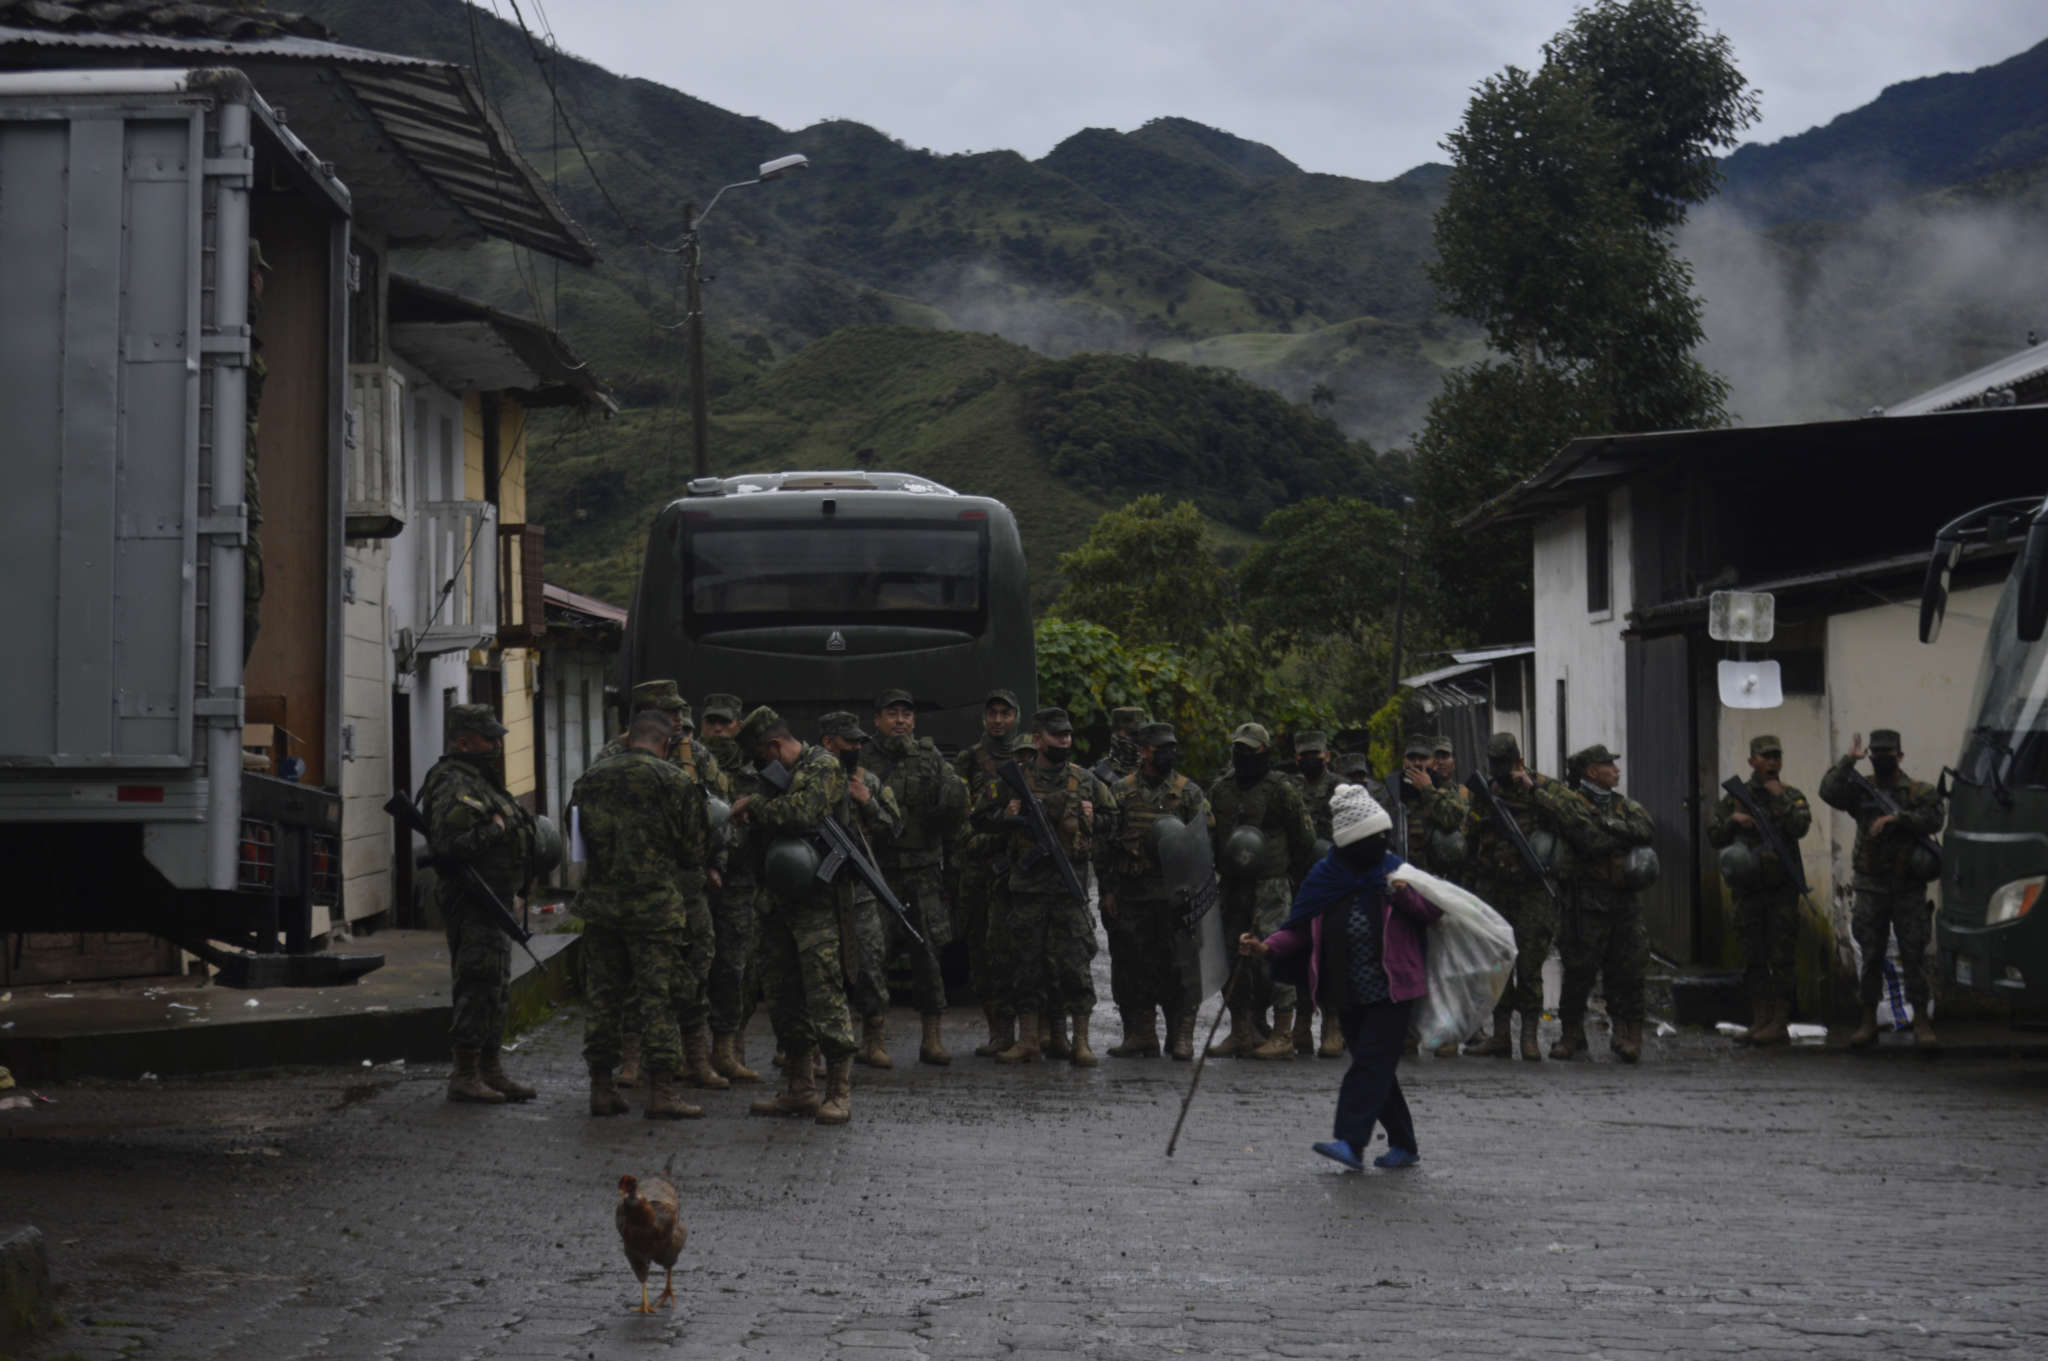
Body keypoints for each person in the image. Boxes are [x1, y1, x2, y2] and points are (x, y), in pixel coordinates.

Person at [1242, 785, 1442, 1171]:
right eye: (1374, 838)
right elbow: (1300, 929)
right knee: (1376, 1067)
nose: (1381, 843)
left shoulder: (1395, 873)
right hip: (1347, 990)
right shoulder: (1325, 879)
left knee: (1369, 1063)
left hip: (1393, 990)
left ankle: (1350, 1141)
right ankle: (1404, 1144)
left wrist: (1404, 895)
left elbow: (1433, 910)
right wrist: (1266, 948)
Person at [572, 709, 713, 1118]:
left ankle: (601, 1088)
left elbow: (576, 843)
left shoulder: (589, 780)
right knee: (658, 997)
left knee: (602, 997)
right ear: (666, 744)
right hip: (654, 910)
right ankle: (662, 1092)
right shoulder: (675, 782)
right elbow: (694, 851)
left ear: (629, 738)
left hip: (601, 907)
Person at [732, 706, 859, 1124]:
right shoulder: (775, 778)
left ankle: (838, 1091)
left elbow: (803, 812)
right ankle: (800, 1088)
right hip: (776, 904)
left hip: (817, 907)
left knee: (824, 996)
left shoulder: (824, 766)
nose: (758, 767)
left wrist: (756, 806)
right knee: (783, 997)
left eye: (760, 757)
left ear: (773, 745)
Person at [973, 707, 1116, 1065]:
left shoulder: (1085, 781)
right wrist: (1009, 817)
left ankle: (1080, 1041)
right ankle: (1028, 1040)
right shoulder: (1013, 779)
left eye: (1067, 735)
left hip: (1069, 890)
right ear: (1038, 740)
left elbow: (1114, 819)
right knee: (1026, 965)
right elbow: (979, 818)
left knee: (1075, 965)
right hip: (1028, 890)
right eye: (1057, 735)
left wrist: (1093, 820)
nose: (1064, 741)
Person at [605, 680, 728, 1092]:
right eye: (670, 712)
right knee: (635, 974)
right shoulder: (613, 755)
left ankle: (696, 1059)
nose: (679, 719)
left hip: (688, 886)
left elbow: (720, 816)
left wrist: (717, 864)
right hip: (638, 887)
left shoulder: (698, 757)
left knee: (696, 967)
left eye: (680, 712)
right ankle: (633, 1060)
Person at [420, 704, 537, 1105]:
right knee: (475, 982)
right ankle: (465, 1073)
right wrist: (494, 830)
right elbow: (448, 847)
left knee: (496, 986)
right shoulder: (451, 781)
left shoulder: (482, 780)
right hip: (471, 899)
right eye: (489, 738)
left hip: (495, 900)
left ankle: (491, 1068)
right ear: (463, 741)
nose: (496, 746)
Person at [1819, 729, 1946, 1050]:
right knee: (1871, 953)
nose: (1880, 759)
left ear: (1900, 756)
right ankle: (1868, 1021)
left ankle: (1921, 1021)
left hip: (1908, 886)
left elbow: (1934, 818)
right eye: (1875, 754)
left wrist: (1896, 819)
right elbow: (1828, 791)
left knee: (1913, 953)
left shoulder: (1918, 791)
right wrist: (1849, 760)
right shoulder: (1862, 790)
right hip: (1871, 884)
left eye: (1887, 753)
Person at [862, 689, 969, 1066]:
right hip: (878, 873)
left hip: (922, 874)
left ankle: (932, 1038)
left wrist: (954, 797)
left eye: (906, 714)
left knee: (928, 957)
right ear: (877, 720)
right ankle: (873, 1037)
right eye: (892, 714)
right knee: (872, 956)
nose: (900, 721)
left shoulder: (929, 758)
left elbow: (953, 809)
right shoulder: (863, 759)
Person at [1463, 733, 1585, 1061]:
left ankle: (1528, 1035)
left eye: (1505, 765)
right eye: (1495, 765)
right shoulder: (1485, 791)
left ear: (1519, 760)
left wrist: (1534, 792)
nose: (1500, 772)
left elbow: (1574, 820)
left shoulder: (1544, 786)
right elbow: (1469, 835)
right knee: (1498, 965)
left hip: (1533, 890)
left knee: (1530, 966)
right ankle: (1501, 1034)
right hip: (1494, 887)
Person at [1207, 723, 1318, 1061]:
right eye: (1238, 748)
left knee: (1277, 954)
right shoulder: (1221, 790)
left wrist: (1284, 873)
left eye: (1250, 749)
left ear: (1264, 751)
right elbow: (1210, 837)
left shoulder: (1280, 789)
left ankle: (1283, 1033)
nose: (1243, 755)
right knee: (1231, 955)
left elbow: (1305, 839)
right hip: (1233, 886)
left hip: (1271, 886)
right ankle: (1241, 1030)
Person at [1106, 721, 1212, 1061]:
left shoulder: (1188, 792)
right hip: (1134, 894)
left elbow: (1205, 840)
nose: (1169, 753)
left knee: (1182, 967)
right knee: (1133, 964)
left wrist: (1199, 892)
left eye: (1172, 747)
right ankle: (1142, 1034)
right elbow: (1106, 844)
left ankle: (1182, 1036)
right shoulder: (1121, 792)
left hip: (1175, 897)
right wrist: (1108, 889)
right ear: (1143, 751)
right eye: (1161, 748)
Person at [1551, 745, 1657, 1063]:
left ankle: (1627, 1034)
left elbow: (1646, 831)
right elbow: (1587, 840)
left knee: (1628, 969)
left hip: (1624, 902)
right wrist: (1618, 838)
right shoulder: (1572, 805)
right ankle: (1571, 1035)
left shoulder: (1625, 806)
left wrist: (1609, 827)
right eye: (1609, 764)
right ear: (1592, 771)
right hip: (1584, 904)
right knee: (1578, 971)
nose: (1616, 769)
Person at [1705, 735, 1813, 1047]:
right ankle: (1760, 1018)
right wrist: (1733, 821)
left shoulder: (1791, 795)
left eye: (1777, 756)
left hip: (1781, 890)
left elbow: (1801, 827)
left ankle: (1779, 1022)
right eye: (1766, 757)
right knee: (1753, 956)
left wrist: (1780, 798)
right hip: (1748, 891)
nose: (1773, 762)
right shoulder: (1736, 798)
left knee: (1781, 957)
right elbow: (1713, 835)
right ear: (1752, 761)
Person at [951, 688, 1035, 1057]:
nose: (998, 720)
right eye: (993, 713)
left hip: (1021, 869)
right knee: (983, 953)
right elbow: (961, 817)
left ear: (1016, 716)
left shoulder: (1029, 755)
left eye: (1006, 713)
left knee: (1024, 952)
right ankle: (999, 1033)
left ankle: (1034, 1034)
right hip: (980, 869)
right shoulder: (970, 758)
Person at [820, 711, 907, 1070]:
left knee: (871, 966)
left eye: (859, 742)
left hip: (861, 891)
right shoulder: (808, 778)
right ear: (828, 743)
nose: (856, 747)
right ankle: (811, 1048)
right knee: (820, 971)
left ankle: (873, 1039)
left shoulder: (867, 780)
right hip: (820, 894)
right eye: (849, 742)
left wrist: (867, 800)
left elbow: (894, 827)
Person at [698, 693, 762, 1082]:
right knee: (690, 966)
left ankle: (727, 1049)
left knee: (734, 967)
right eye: (712, 723)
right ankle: (689, 1053)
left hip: (738, 882)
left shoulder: (754, 772)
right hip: (696, 882)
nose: (719, 730)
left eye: (726, 723)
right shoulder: (688, 766)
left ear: (738, 725)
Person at [1288, 730, 1348, 1057]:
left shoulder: (1343, 788)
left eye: (1315, 753)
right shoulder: (1290, 788)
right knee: (1299, 950)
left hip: (1333, 883)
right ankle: (1300, 1024)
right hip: (1298, 882)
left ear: (1327, 755)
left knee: (1332, 952)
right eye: (1303, 754)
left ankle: (1332, 1023)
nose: (1310, 759)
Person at [1097, 704, 1151, 1044]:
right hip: (1119, 880)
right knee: (1125, 959)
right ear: (1116, 734)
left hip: (1155, 882)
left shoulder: (1154, 771)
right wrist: (1107, 887)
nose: (1132, 741)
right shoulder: (1100, 776)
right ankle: (1133, 1030)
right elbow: (1100, 843)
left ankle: (1157, 1031)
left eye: (1138, 736)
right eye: (1128, 735)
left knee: (1159, 957)